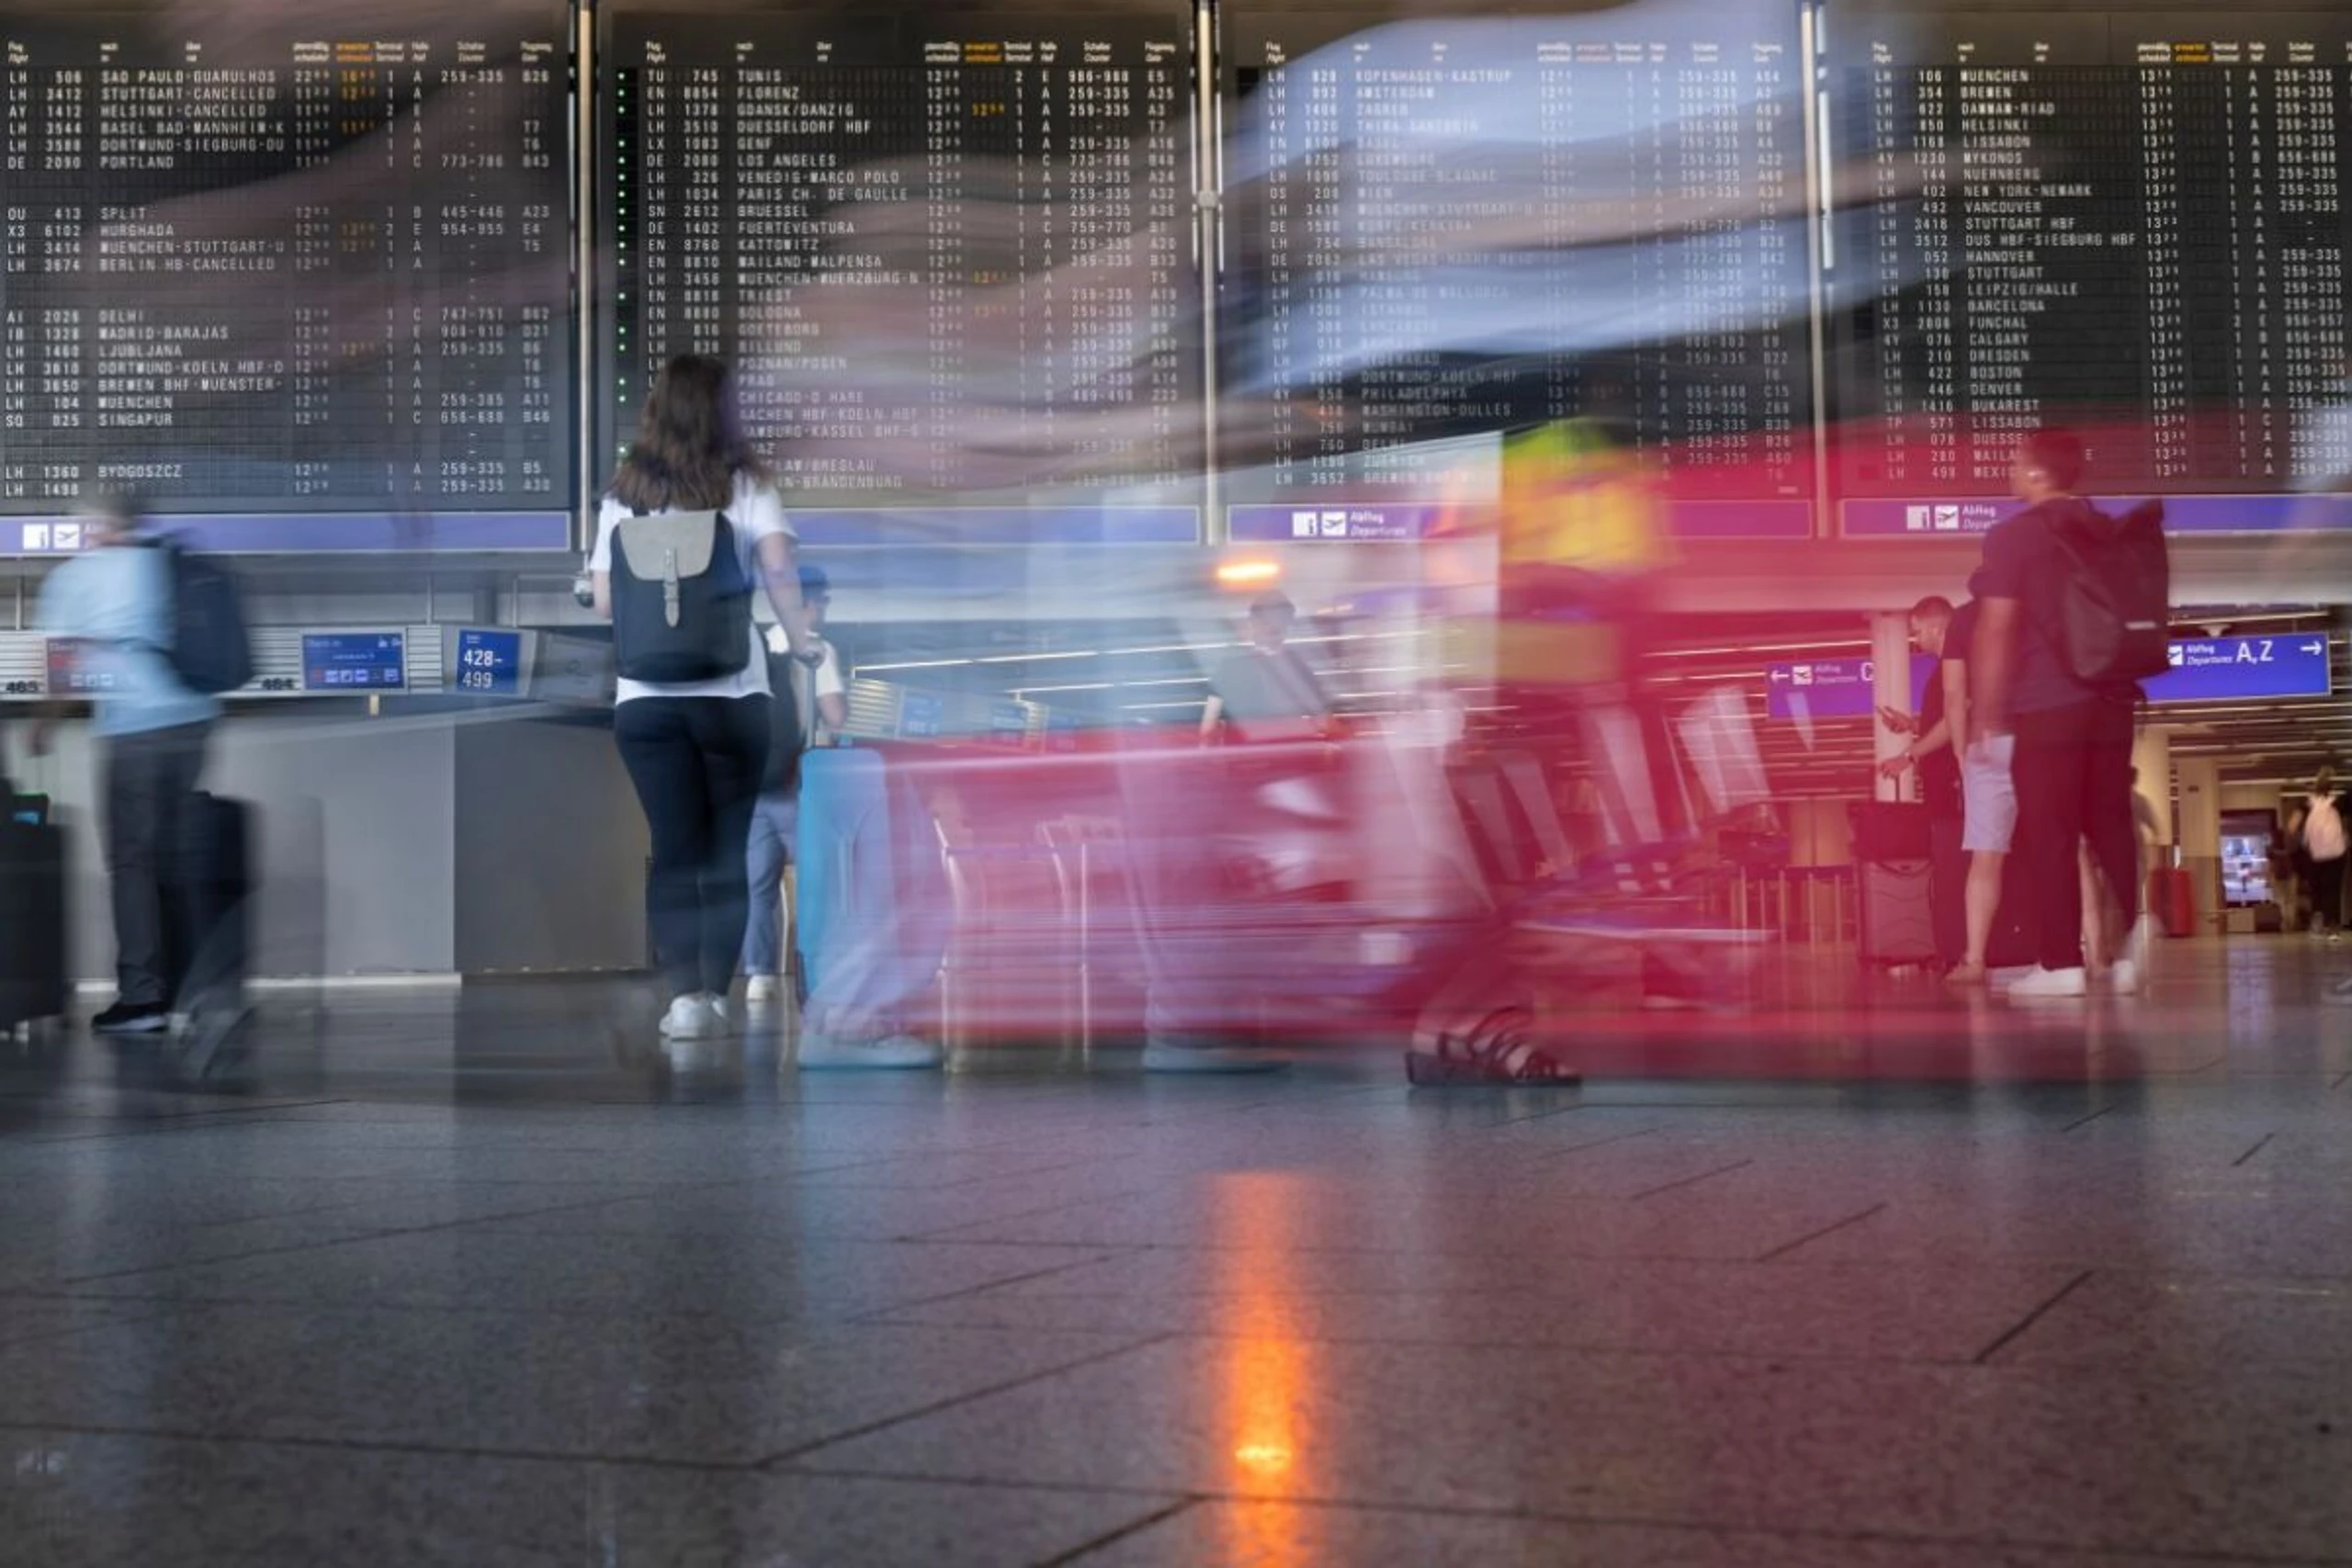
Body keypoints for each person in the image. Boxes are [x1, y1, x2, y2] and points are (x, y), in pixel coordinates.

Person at [591, 355, 820, 1043]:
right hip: (732, 695)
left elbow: (606, 599)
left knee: (673, 848)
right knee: (725, 851)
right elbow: (779, 570)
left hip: (645, 701)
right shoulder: (746, 485)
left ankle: (683, 998)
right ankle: (716, 995)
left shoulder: (623, 492)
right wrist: (801, 639)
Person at [29, 491, 221, 1036]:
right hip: (193, 720)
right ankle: (204, 989)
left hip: (133, 732)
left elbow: (62, 668)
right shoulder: (168, 564)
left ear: (97, 524)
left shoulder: (79, 576)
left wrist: (43, 724)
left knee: (133, 862)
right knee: (182, 858)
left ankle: (143, 998)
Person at [1970, 429, 2145, 998]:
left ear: (2038, 473)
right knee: (2110, 822)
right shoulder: (2104, 525)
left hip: (2047, 704)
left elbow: (1996, 627)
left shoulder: (2012, 537)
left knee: (2049, 832)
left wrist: (1988, 712)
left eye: (2016, 460)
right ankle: (2130, 949)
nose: (2011, 469)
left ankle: (2061, 963)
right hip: (2113, 696)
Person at [743, 562, 848, 1006]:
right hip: (797, 782)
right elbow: (836, 716)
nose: (823, 610)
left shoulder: (757, 646)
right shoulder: (818, 650)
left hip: (752, 786)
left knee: (757, 888)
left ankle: (759, 977)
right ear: (807, 604)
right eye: (821, 602)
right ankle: (817, 970)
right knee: (816, 879)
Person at [1880, 595, 1971, 973]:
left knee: (1955, 869)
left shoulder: (1958, 668)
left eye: (1917, 632)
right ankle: (1950, 949)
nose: (1915, 640)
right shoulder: (1941, 674)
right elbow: (1944, 724)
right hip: (1942, 785)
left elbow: (1954, 726)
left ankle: (1959, 951)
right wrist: (1912, 725)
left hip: (1953, 783)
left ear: (1936, 627)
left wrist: (1909, 755)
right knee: (1947, 868)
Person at [1200, 593, 1333, 744]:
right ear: (1253, 623)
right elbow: (1210, 720)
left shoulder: (1299, 667)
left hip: (1287, 756)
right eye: (1266, 621)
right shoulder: (1231, 667)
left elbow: (1322, 717)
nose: (1273, 628)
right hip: (1246, 758)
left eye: (1281, 621)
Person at [2301, 766, 2347, 941]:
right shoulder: (2337, 803)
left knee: (2317, 888)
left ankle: (2318, 917)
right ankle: (2333, 926)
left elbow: (2292, 827)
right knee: (2333, 889)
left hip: (2316, 854)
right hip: (2336, 852)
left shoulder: (2307, 804)